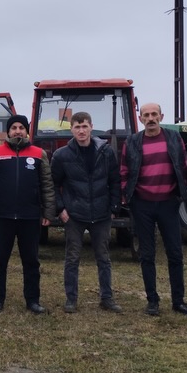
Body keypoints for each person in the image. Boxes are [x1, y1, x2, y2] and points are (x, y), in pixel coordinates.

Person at [120, 102, 187, 317]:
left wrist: (182, 193)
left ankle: (178, 301)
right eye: (146, 115)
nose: (151, 118)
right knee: (147, 255)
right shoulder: (132, 142)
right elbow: (124, 171)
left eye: (154, 114)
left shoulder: (174, 138)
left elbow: (183, 167)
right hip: (142, 205)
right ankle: (152, 301)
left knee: (175, 254)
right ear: (140, 119)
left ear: (161, 116)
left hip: (168, 203)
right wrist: (127, 196)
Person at [51, 111, 123, 313]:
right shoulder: (61, 155)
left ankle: (107, 298)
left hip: (101, 214)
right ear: (71, 129)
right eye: (77, 127)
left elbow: (114, 181)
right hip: (74, 215)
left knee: (104, 258)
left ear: (91, 127)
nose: (81, 131)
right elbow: (53, 184)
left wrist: (114, 207)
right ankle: (71, 299)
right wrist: (60, 208)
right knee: (72, 258)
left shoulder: (106, 152)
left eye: (84, 126)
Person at [0, 114, 55, 314]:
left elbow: (47, 185)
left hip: (30, 217)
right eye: (13, 127)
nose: (17, 131)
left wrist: (48, 211)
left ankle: (33, 300)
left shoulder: (39, 154)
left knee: (31, 261)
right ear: (8, 131)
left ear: (26, 131)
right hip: (2, 216)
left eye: (21, 128)